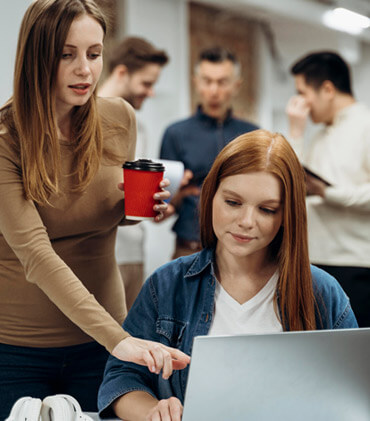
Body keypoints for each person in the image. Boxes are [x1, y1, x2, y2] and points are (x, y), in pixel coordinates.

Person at [0, 1, 189, 417]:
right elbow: (35, 252)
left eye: (94, 53)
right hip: (17, 349)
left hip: (101, 341)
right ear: (35, 57)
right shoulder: (5, 139)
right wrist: (118, 339)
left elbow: (100, 212)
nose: (84, 69)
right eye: (66, 54)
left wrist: (138, 209)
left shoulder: (119, 118)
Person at [98, 130, 357, 420]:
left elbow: (353, 395)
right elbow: (122, 379)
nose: (246, 222)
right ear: (210, 196)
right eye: (233, 203)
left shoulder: (322, 292)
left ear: (287, 216)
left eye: (267, 209)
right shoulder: (168, 284)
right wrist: (153, 411)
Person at [286, 51, 370, 327]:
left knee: (354, 360)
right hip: (316, 262)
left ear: (327, 89)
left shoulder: (365, 125)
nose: (300, 103)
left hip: (355, 265)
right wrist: (295, 133)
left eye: (302, 93)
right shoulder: (321, 135)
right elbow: (293, 181)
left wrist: (327, 193)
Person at [160, 46, 259, 259]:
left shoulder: (253, 135)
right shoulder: (175, 133)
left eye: (222, 82)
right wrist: (173, 196)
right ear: (196, 82)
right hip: (189, 248)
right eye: (207, 81)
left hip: (244, 251)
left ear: (236, 86)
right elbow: (164, 204)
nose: (214, 90)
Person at [99, 37, 169, 310]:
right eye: (147, 83)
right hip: (102, 254)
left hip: (133, 252)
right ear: (121, 73)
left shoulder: (140, 126)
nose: (150, 92)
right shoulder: (83, 120)